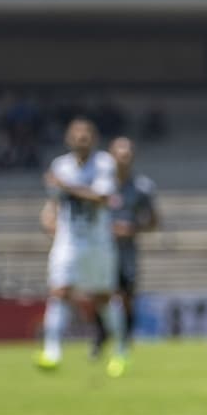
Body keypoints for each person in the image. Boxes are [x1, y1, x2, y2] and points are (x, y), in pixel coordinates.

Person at [36, 117, 128, 377]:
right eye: (76, 134)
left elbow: (102, 198)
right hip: (69, 241)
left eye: (86, 134)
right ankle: (51, 351)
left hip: (98, 242)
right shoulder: (60, 165)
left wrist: (65, 186)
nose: (81, 138)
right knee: (59, 292)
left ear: (94, 138)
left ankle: (121, 350)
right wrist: (48, 217)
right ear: (68, 138)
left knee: (103, 297)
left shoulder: (103, 164)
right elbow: (55, 202)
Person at [91, 136, 159, 360]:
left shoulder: (142, 187)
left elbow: (154, 221)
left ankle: (125, 340)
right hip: (101, 249)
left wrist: (134, 228)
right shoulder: (98, 186)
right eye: (119, 155)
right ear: (110, 157)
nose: (123, 160)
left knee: (127, 297)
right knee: (101, 296)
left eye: (127, 155)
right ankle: (100, 340)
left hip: (127, 251)